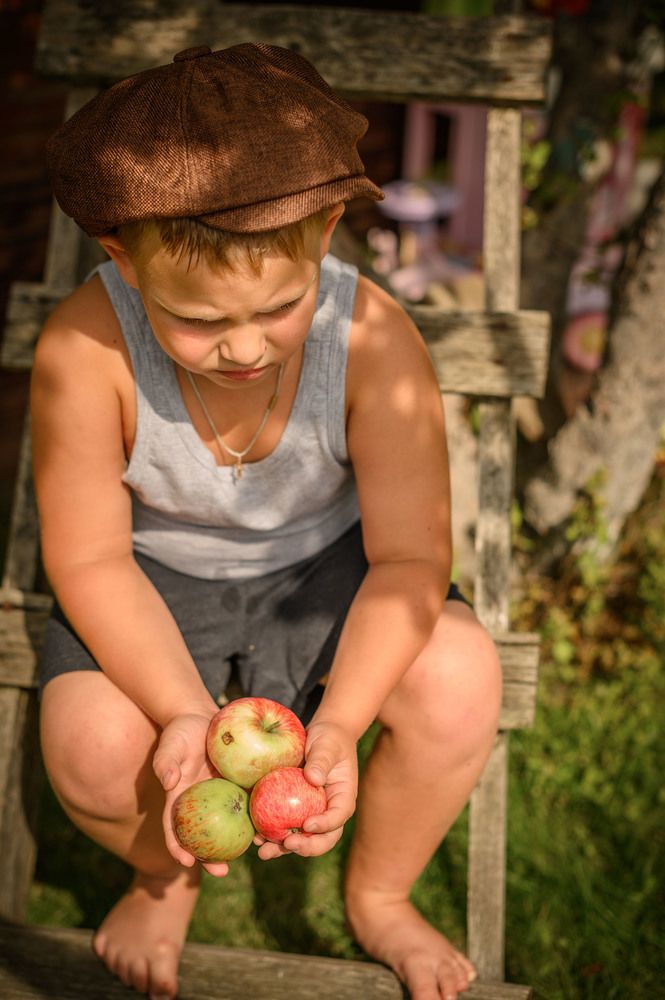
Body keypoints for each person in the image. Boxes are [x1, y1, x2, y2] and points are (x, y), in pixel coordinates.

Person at [34, 43, 502, 1000]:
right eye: (196, 322)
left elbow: (410, 557)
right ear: (122, 260)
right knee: (87, 744)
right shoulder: (86, 348)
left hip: (327, 570)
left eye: (280, 308)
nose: (243, 348)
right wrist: (176, 711)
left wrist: (339, 727)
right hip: (151, 577)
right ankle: (164, 877)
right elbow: (88, 558)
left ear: (326, 232)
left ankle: (377, 896)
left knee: (458, 680)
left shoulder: (370, 342)